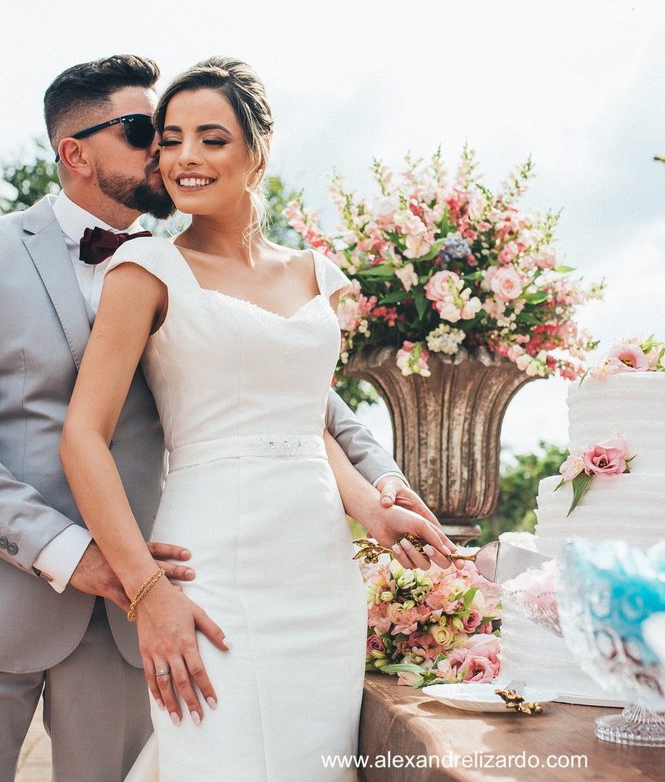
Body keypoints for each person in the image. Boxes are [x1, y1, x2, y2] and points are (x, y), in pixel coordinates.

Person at [0, 54, 432, 782]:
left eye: (187, 135)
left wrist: (382, 492)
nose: (167, 153)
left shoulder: (210, 272)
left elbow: (307, 405)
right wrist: (77, 553)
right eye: (150, 131)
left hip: (145, 614)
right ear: (75, 153)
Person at [58, 56, 460, 782]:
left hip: (316, 574)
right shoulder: (144, 268)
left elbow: (306, 419)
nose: (185, 156)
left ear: (257, 151)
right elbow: (82, 435)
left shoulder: (315, 274)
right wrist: (147, 589)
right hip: (214, 563)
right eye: (171, 138)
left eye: (211, 138)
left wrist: (371, 506)